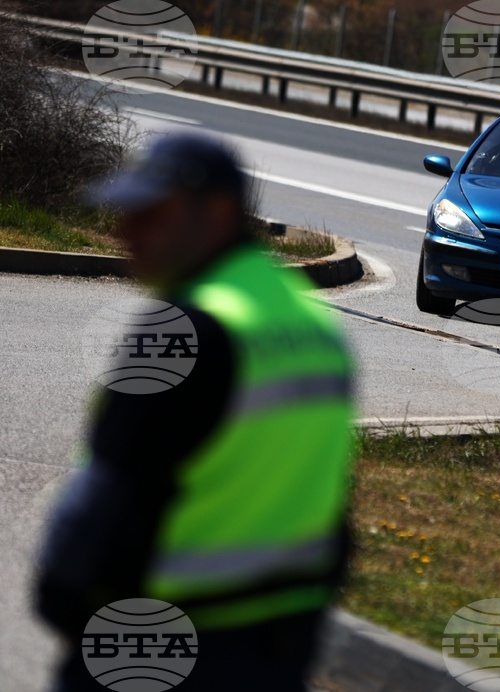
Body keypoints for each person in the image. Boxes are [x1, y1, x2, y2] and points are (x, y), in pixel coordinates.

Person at [34, 134, 355, 691]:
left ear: (219, 214)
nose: (127, 232)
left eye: (152, 214)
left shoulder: (183, 334)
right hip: (277, 646)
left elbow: (105, 497)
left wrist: (63, 601)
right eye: (127, 213)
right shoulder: (317, 327)